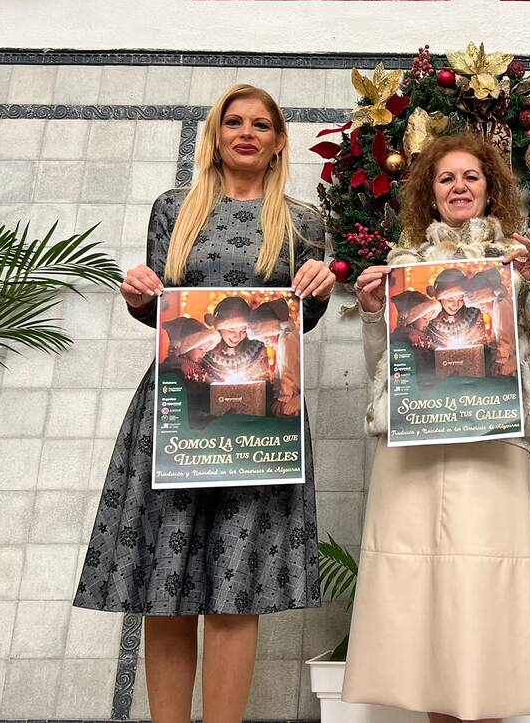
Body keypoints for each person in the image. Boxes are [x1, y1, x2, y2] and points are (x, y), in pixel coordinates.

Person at [74, 84, 336, 723]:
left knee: (234, 587)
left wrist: (322, 291)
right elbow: (160, 314)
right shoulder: (175, 208)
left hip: (260, 419)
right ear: (215, 136)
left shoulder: (303, 221)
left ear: (278, 142)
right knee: (166, 583)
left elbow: (298, 323)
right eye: (234, 122)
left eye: (261, 125)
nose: (246, 133)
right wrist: (139, 295)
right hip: (177, 413)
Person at [343, 133, 530, 722]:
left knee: (488, 589)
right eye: (446, 178)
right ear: (430, 194)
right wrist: (371, 314)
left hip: (496, 439)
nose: (459, 187)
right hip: (414, 442)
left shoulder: (518, 263)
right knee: (416, 589)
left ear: (491, 188)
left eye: (471, 176)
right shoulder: (402, 267)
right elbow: (383, 368)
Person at [202, 296, 270, 384]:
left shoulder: (256, 347)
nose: (237, 336)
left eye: (243, 331)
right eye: (231, 330)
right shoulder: (205, 350)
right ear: (219, 328)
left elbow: (264, 382)